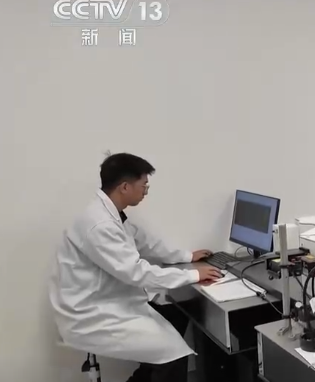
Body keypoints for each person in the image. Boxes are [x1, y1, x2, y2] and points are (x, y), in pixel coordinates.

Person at [49, 153, 224, 382]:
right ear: (124, 187)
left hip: (111, 301)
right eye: (144, 185)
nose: (146, 191)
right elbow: (136, 272)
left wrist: (187, 256)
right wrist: (192, 274)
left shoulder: (109, 213)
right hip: (91, 315)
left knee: (177, 315)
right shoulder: (100, 225)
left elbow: (143, 241)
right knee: (174, 355)